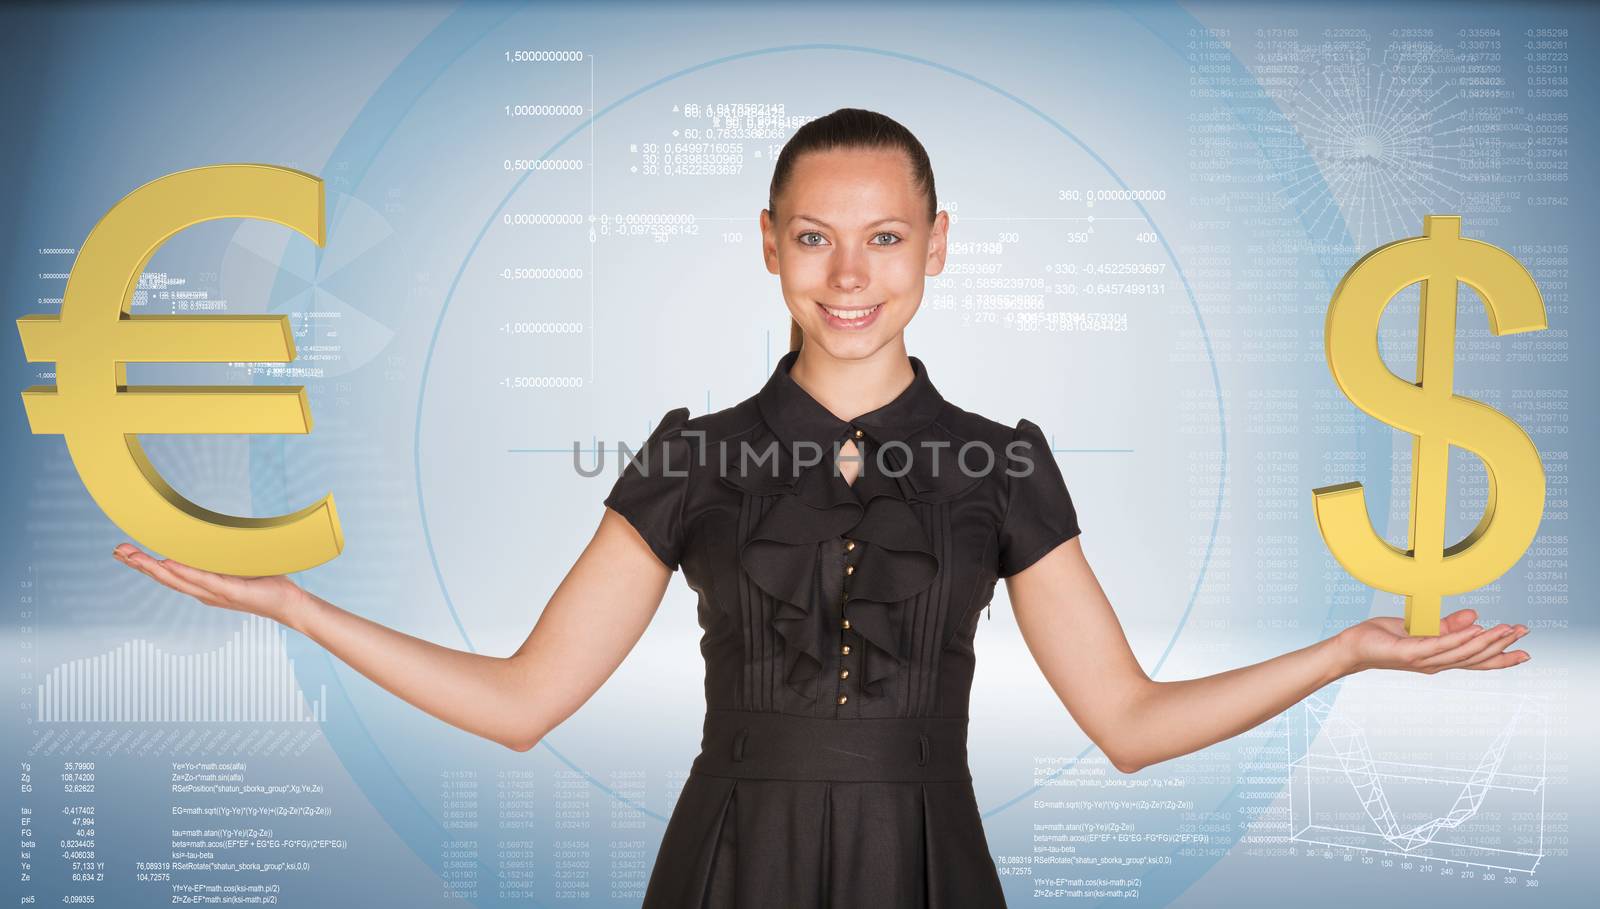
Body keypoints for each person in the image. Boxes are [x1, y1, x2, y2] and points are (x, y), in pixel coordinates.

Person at [113, 107, 1532, 908]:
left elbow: (1131, 723)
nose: (848, 274)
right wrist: (298, 606)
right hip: (730, 866)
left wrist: (1344, 654)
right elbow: (522, 698)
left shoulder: (1005, 464)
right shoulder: (691, 457)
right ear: (770, 246)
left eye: (884, 237)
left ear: (937, 246)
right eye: (814, 237)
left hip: (931, 867)